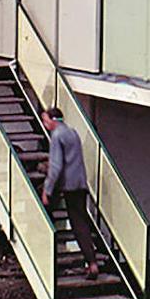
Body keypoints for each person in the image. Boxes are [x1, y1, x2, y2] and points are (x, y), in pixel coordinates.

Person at [40, 108, 99, 279]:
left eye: (45, 120)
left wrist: (47, 190)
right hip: (80, 183)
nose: (45, 124)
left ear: (53, 120)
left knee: (68, 221)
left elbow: (57, 167)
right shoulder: (72, 133)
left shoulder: (57, 136)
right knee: (81, 223)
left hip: (68, 185)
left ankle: (48, 257)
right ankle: (92, 262)